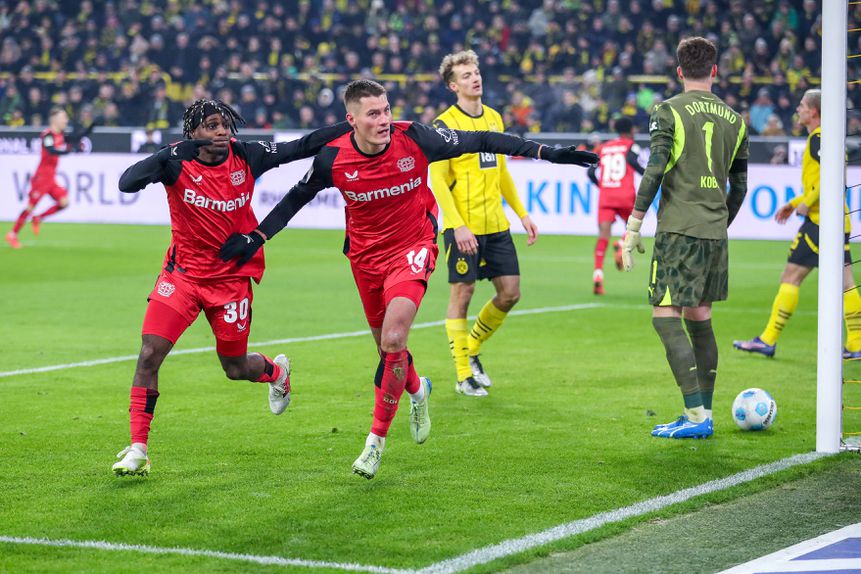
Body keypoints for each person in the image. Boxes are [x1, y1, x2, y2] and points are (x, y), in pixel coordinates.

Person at [220, 79, 597, 479]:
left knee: (395, 339)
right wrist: (257, 236)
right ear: (352, 120)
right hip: (365, 259)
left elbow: (483, 138)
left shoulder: (416, 137)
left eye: (386, 110)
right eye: (374, 114)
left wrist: (546, 153)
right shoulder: (333, 159)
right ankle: (418, 390)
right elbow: (297, 197)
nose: (384, 119)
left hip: (413, 248)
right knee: (389, 353)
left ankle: (375, 443)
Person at [111, 99, 351, 476]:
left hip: (231, 281)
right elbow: (126, 183)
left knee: (235, 368)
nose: (222, 131)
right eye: (212, 125)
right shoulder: (175, 161)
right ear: (194, 132)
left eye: (224, 124)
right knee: (148, 354)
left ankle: (277, 373)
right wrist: (170, 153)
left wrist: (348, 125)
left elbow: (301, 147)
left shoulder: (247, 156)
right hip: (183, 277)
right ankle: (139, 448)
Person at [621, 37, 749, 439]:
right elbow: (741, 186)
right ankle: (703, 414)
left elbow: (654, 169)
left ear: (679, 71)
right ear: (714, 70)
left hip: (678, 229)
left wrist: (634, 224)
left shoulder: (668, 111)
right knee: (700, 316)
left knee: (665, 316)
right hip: (714, 230)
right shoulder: (737, 120)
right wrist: (718, 224)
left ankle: (695, 416)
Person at [429, 50, 537, 398]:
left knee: (510, 294)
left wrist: (521, 213)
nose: (475, 78)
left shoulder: (493, 118)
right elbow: (438, 181)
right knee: (463, 293)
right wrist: (457, 225)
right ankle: (463, 375)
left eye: (476, 72)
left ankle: (472, 348)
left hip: (496, 224)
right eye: (466, 75)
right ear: (452, 85)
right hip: (464, 227)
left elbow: (502, 171)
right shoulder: (443, 126)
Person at [733, 89, 861, 359]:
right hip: (836, 220)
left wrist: (807, 202)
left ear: (814, 111)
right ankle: (857, 342)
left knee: (790, 276)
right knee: (846, 283)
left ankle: (767, 339)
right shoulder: (828, 139)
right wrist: (795, 202)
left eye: (802, 105)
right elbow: (822, 181)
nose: (798, 110)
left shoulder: (819, 139)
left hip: (820, 222)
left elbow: (832, 179)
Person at [5, 107, 90, 248]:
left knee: (64, 202)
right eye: (63, 118)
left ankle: (38, 218)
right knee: (30, 207)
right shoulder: (47, 135)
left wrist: (91, 127)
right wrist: (68, 152)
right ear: (54, 120)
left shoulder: (61, 135)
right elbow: (51, 150)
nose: (66, 120)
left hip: (51, 178)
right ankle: (12, 234)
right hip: (41, 178)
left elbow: (77, 138)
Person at [586, 116, 645, 295]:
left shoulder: (603, 147)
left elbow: (590, 172)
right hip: (625, 195)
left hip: (606, 196)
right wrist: (649, 175)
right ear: (632, 129)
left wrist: (602, 186)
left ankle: (598, 275)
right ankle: (621, 243)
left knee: (603, 236)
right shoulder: (631, 145)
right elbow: (633, 162)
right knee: (633, 228)